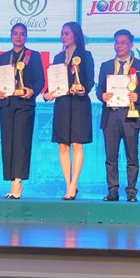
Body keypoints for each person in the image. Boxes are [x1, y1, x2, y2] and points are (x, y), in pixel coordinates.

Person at [0, 23, 45, 199]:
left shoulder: (33, 56)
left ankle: (18, 182)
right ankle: (11, 179)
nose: (19, 37)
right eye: (15, 33)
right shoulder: (3, 57)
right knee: (7, 142)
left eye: (22, 34)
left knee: (21, 142)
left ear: (26, 36)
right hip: (6, 103)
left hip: (24, 104)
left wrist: (32, 91)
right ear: (11, 36)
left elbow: (40, 80)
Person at [96, 29, 140, 202]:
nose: (119, 46)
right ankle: (112, 191)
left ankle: (131, 191)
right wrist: (102, 95)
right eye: (117, 42)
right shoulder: (106, 65)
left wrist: (138, 97)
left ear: (131, 45)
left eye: (123, 43)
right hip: (111, 115)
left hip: (130, 115)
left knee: (132, 156)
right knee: (111, 156)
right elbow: (99, 88)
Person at [43, 21, 94, 200]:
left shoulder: (85, 55)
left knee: (77, 144)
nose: (63, 37)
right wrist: (46, 94)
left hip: (79, 104)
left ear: (75, 35)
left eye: (66, 33)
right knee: (63, 145)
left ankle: (74, 185)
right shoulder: (58, 58)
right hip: (62, 105)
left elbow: (90, 80)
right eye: (62, 33)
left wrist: (83, 89)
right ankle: (68, 184)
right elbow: (53, 83)